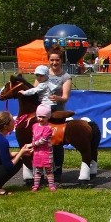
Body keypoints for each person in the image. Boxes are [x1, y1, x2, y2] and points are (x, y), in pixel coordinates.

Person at [46, 47, 72, 182]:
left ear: (61, 60)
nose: (54, 63)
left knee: (56, 144)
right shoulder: (42, 74)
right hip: (43, 113)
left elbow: (65, 97)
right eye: (52, 60)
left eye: (57, 60)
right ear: (48, 60)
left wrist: (56, 98)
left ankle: (57, 170)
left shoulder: (66, 77)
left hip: (57, 113)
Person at [30, 104, 56, 192]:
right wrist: (33, 147)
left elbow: (43, 140)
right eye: (39, 116)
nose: (41, 119)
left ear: (48, 117)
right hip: (37, 152)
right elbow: (34, 137)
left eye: (43, 117)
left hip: (46, 152)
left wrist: (32, 144)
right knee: (37, 170)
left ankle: (51, 185)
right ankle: (35, 185)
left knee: (49, 170)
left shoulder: (48, 128)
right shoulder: (34, 126)